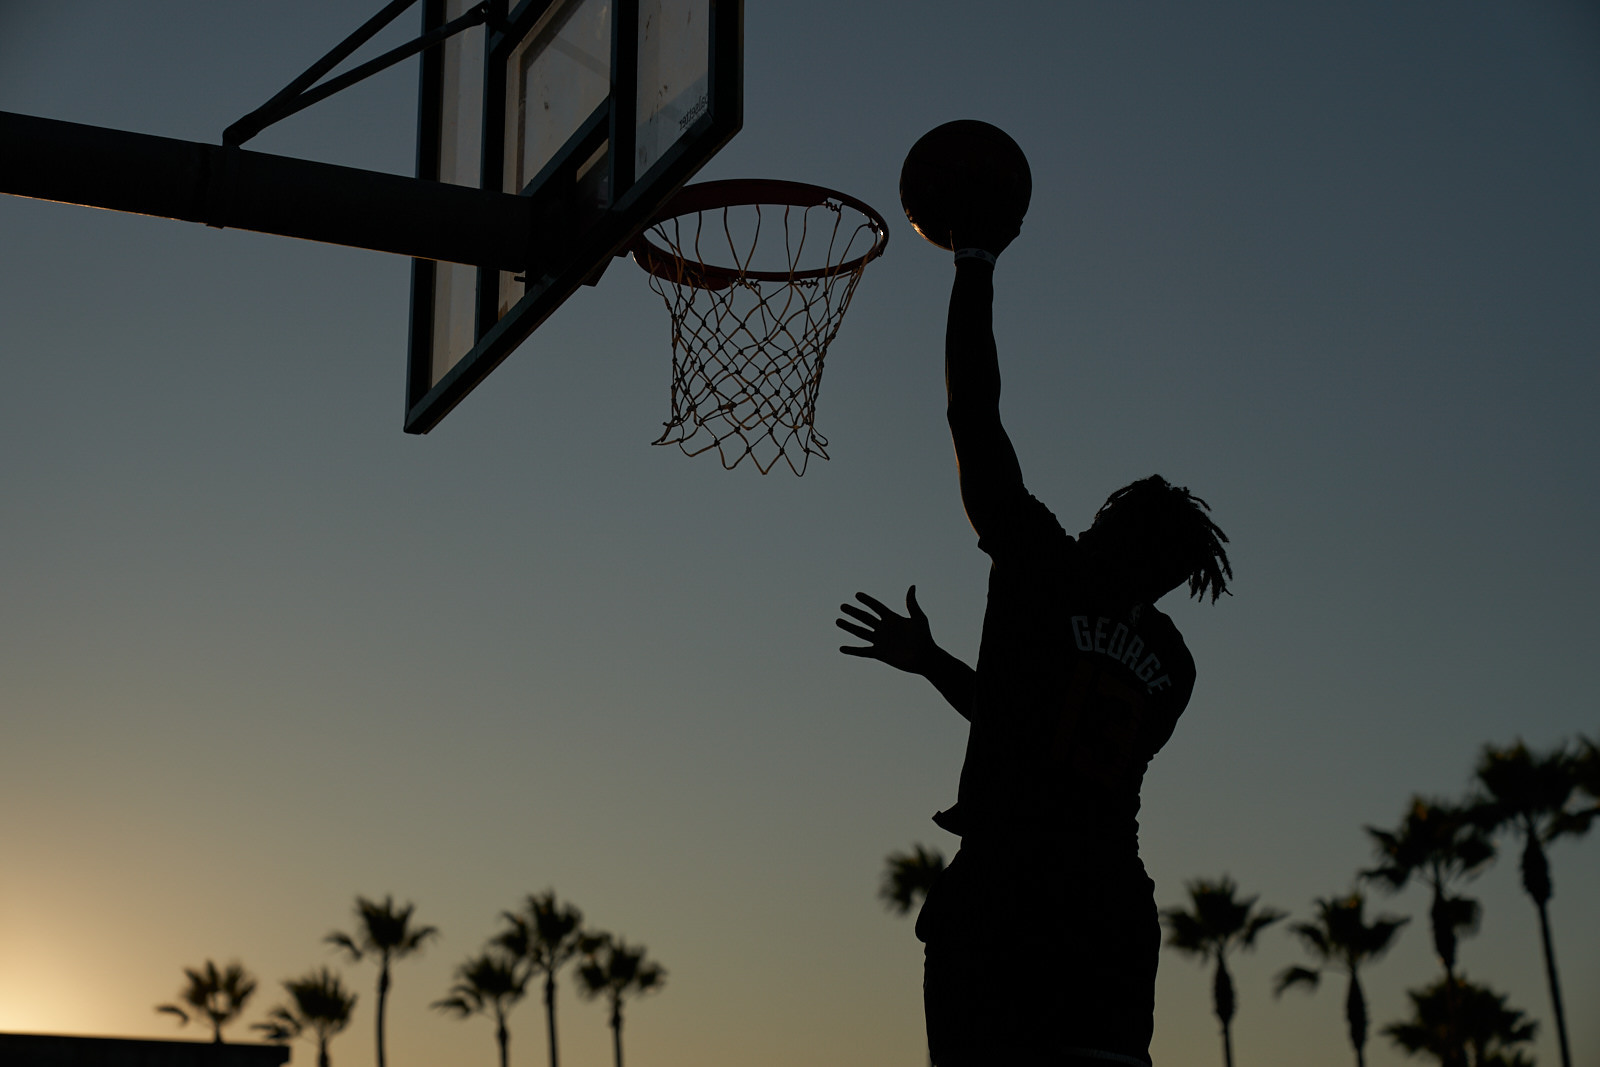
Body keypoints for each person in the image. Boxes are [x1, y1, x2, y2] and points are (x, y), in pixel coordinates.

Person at [835, 227, 1231, 1067]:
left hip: (1010, 889)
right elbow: (1036, 719)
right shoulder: (1175, 666)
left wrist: (972, 264)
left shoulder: (1043, 560)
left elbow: (971, 412)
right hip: (1111, 907)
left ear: (1110, 526)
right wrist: (936, 663)